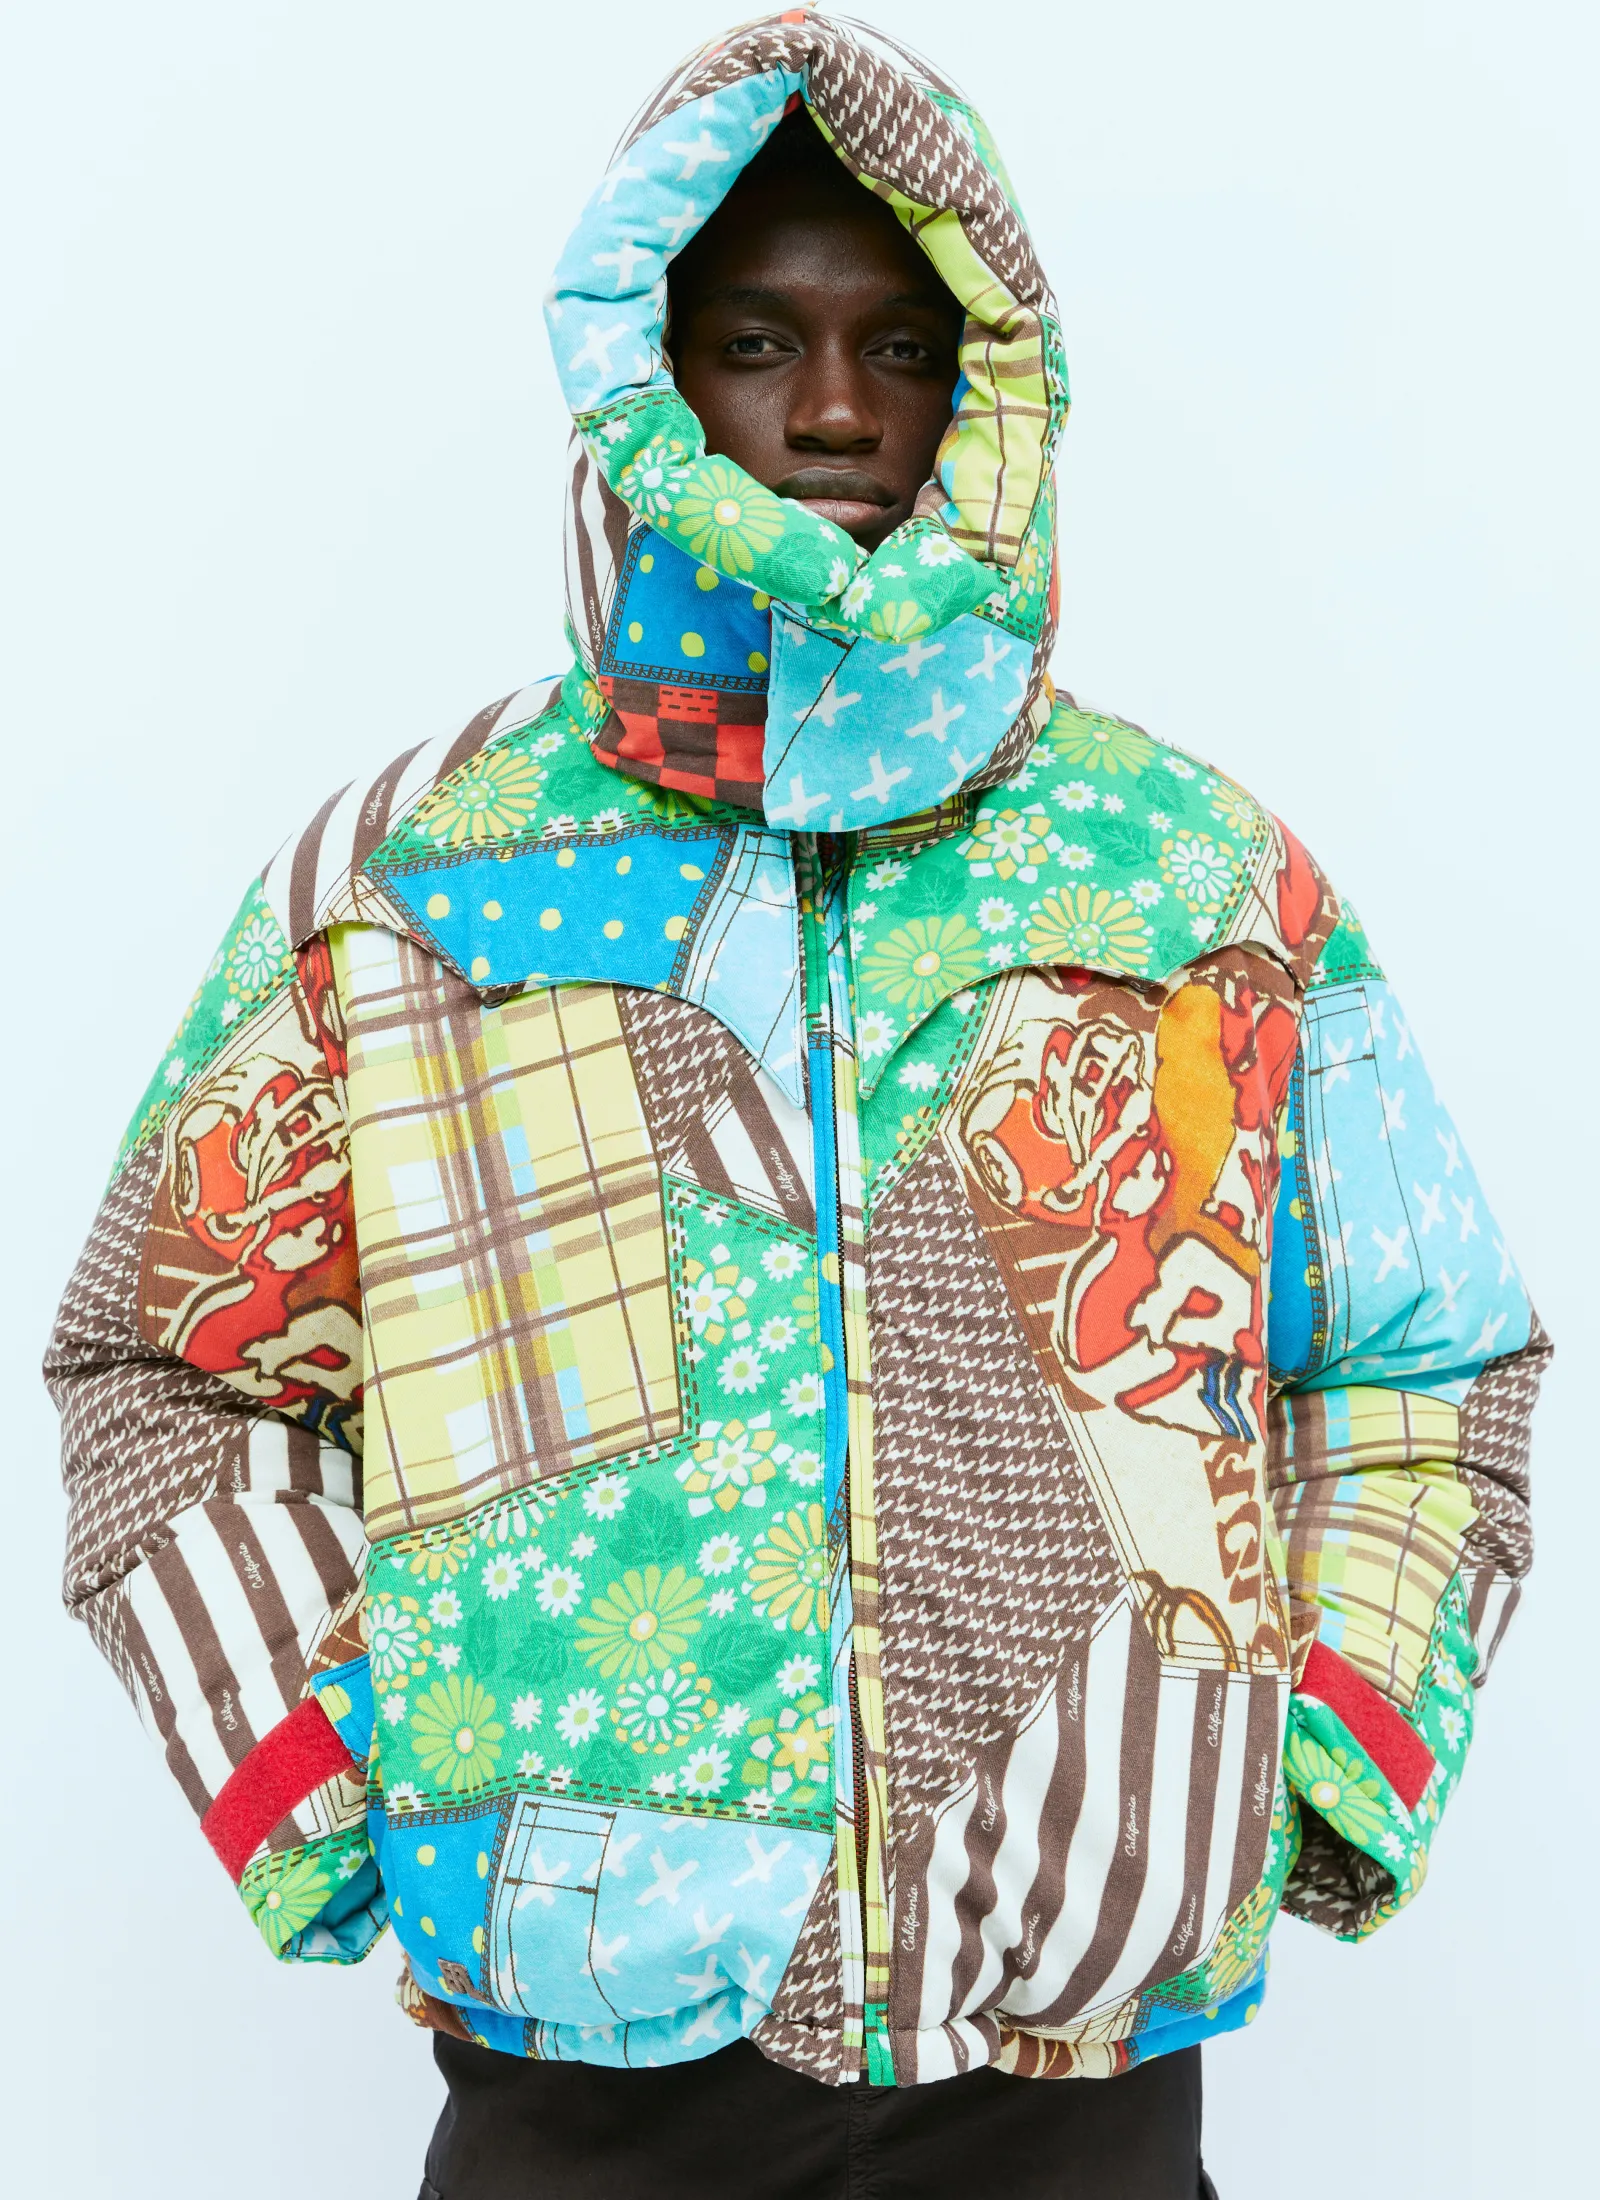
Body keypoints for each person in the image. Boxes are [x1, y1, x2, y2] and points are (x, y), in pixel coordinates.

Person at [45, 12, 1548, 2199]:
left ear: (989, 389)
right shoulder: (417, 879)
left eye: (900, 347)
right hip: (580, 2079)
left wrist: (1306, 1768)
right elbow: (166, 1370)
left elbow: (1424, 1359)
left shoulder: (1189, 881)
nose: (834, 407)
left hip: (1071, 2089)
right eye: (756, 339)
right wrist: (338, 1778)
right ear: (643, 373)